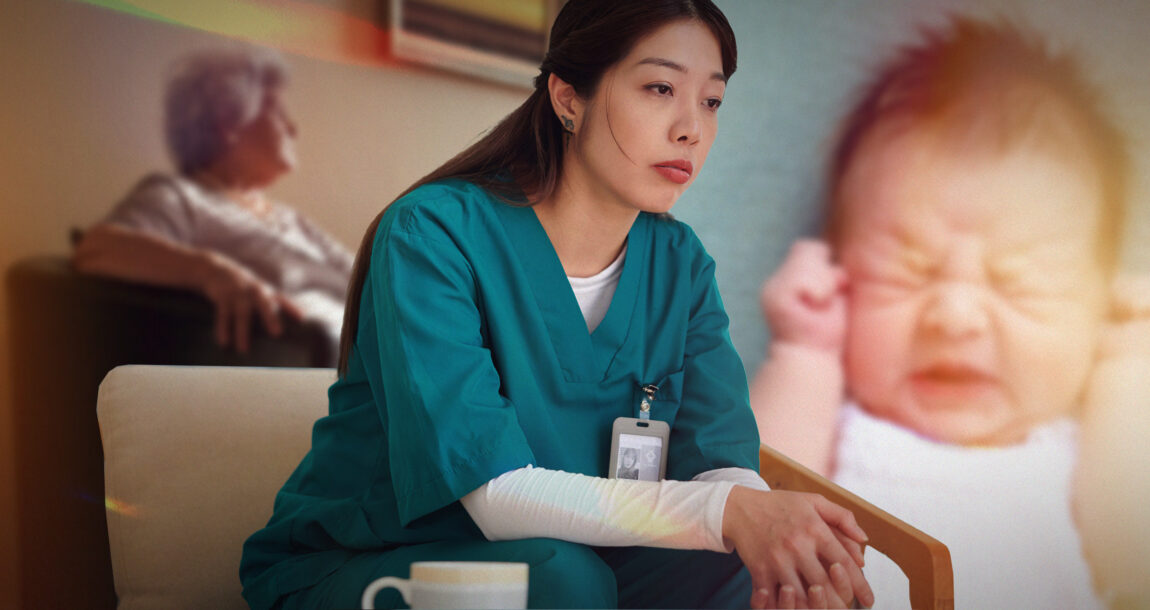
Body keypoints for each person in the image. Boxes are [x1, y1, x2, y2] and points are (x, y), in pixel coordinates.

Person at [241, 2, 875, 609]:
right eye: (660, 89)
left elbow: (720, 466)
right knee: (557, 582)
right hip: (375, 562)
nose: (692, 128)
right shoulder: (433, 235)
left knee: (760, 573)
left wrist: (764, 524)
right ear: (569, 97)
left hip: (587, 562)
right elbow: (490, 493)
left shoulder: (680, 264)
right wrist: (722, 514)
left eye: (711, 101)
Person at [750, 16, 1149, 609]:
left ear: (1100, 304)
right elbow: (758, 490)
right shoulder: (839, 430)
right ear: (841, 279)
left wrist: (1128, 364)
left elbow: (1134, 556)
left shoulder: (1083, 457)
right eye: (905, 272)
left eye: (1018, 282)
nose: (955, 318)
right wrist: (803, 352)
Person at [72, 46, 353, 358]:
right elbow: (95, 249)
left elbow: (365, 277)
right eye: (277, 111)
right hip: (330, 377)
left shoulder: (289, 219)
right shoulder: (181, 198)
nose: (292, 128)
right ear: (228, 123)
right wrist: (213, 271)